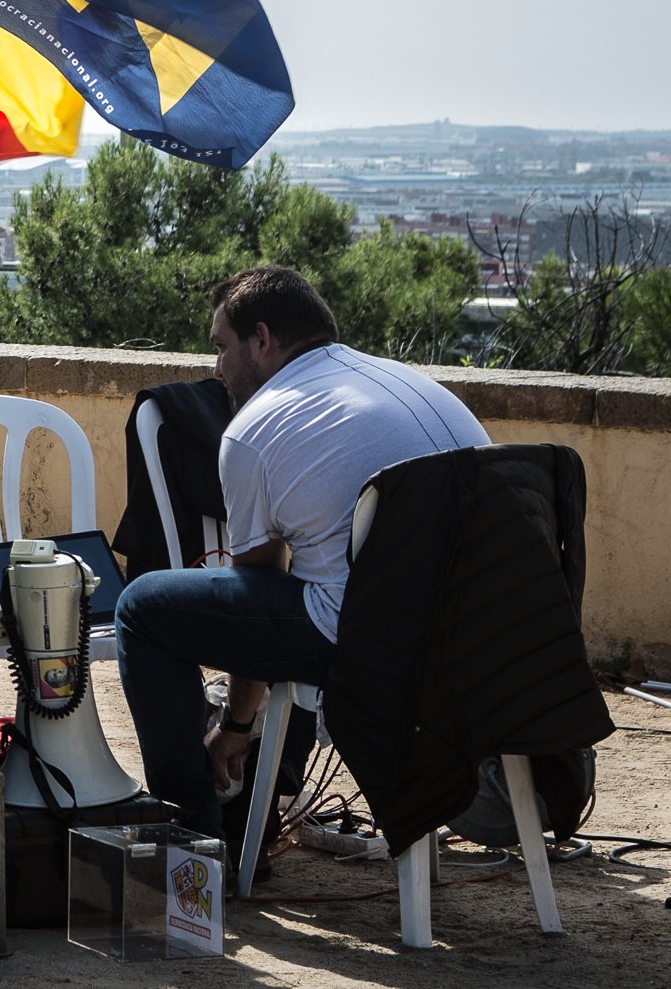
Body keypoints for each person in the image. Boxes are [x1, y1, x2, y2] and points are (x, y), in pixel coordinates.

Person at [114, 266, 490, 838]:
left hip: (375, 646)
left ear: (261, 340)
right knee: (314, 586)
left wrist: (236, 725)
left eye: (220, 348)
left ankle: (191, 837)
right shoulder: (413, 384)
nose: (216, 370)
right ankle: (263, 808)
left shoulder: (252, 431)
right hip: (483, 640)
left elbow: (256, 597)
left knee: (143, 608)